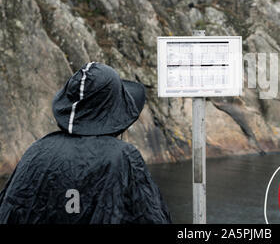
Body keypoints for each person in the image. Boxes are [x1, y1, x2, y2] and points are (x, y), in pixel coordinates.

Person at [0, 62, 172, 224]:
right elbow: (150, 216)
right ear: (114, 112)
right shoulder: (123, 157)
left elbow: (10, 210)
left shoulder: (37, 151)